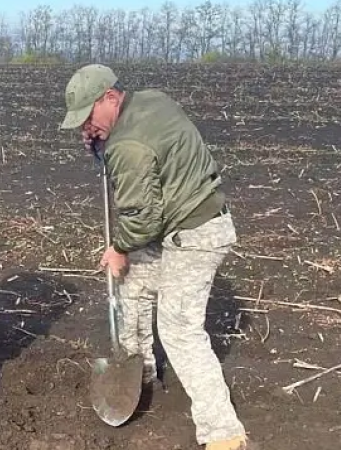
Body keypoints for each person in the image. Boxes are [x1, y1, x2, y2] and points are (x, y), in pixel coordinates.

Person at [59, 64, 257, 450]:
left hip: (196, 234)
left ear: (109, 97)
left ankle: (224, 433)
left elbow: (141, 218)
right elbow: (148, 170)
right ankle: (140, 373)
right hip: (188, 220)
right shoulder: (152, 100)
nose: (85, 125)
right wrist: (101, 147)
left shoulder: (127, 145)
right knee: (132, 285)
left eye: (88, 116)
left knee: (179, 329)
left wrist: (118, 249)